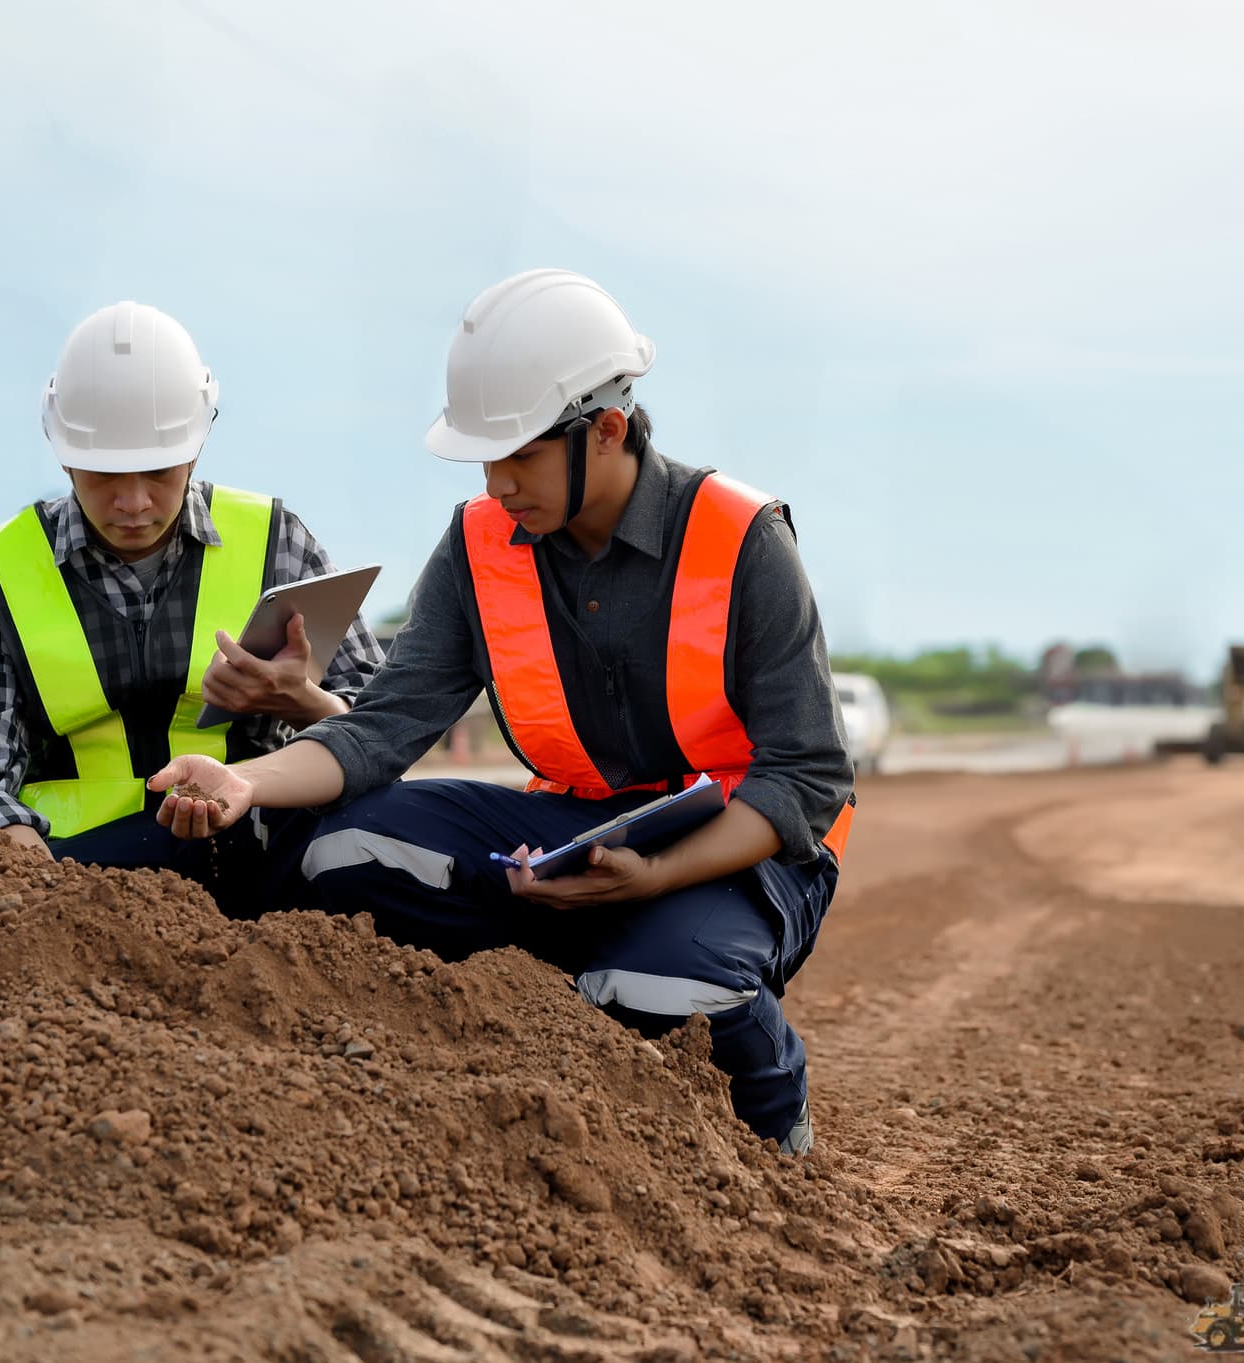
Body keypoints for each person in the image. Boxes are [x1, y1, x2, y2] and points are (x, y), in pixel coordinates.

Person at [147, 269, 855, 1153]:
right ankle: (516, 1030)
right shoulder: (480, 541)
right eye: (486, 456)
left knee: (654, 986)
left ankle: (773, 1113)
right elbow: (380, 727)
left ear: (605, 430)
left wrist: (654, 876)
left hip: (741, 850)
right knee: (334, 848)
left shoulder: (742, 539)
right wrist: (243, 782)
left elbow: (808, 777)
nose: (498, 481)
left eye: (518, 454)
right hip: (575, 827)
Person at [0, 301, 384, 914]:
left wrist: (301, 700)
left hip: (260, 862)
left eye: (157, 472)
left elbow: (376, 735)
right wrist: (48, 904)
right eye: (104, 475)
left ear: (196, 449)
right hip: (72, 875)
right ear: (63, 453)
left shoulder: (279, 546)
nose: (133, 501)